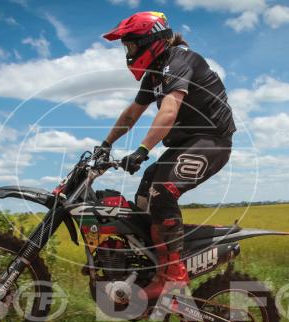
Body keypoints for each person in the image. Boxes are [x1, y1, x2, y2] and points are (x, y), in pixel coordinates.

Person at [99, 11, 237, 300]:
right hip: (185, 145)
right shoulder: (154, 74)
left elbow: (169, 110)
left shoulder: (180, 61)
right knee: (145, 195)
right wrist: (106, 144)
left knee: (163, 189)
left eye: (131, 45)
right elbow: (131, 114)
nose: (128, 52)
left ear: (150, 41)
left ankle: (174, 277)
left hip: (212, 141)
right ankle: (150, 266)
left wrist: (142, 150)